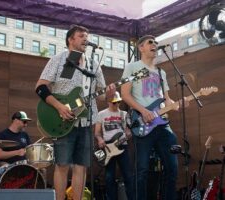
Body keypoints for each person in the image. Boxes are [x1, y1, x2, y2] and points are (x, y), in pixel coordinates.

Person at [35, 25, 115, 200]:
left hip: (86, 124)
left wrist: (108, 95)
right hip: (63, 120)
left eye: (87, 36)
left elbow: (100, 97)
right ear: (70, 40)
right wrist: (59, 107)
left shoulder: (94, 64)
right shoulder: (59, 59)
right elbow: (40, 87)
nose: (86, 39)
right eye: (81, 36)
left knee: (81, 166)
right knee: (62, 165)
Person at [121, 35, 188, 200]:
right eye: (150, 42)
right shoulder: (133, 67)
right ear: (141, 48)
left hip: (162, 124)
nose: (155, 45)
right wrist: (143, 111)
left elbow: (166, 99)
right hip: (142, 123)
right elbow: (124, 94)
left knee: (172, 167)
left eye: (156, 42)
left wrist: (177, 104)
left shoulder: (161, 72)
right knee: (141, 170)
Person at [94, 91, 133, 200]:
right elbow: (97, 132)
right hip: (107, 148)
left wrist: (129, 133)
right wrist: (100, 139)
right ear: (108, 101)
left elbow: (128, 131)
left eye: (118, 102)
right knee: (109, 177)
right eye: (114, 102)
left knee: (128, 176)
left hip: (122, 146)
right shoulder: (101, 114)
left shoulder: (124, 114)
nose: (117, 104)